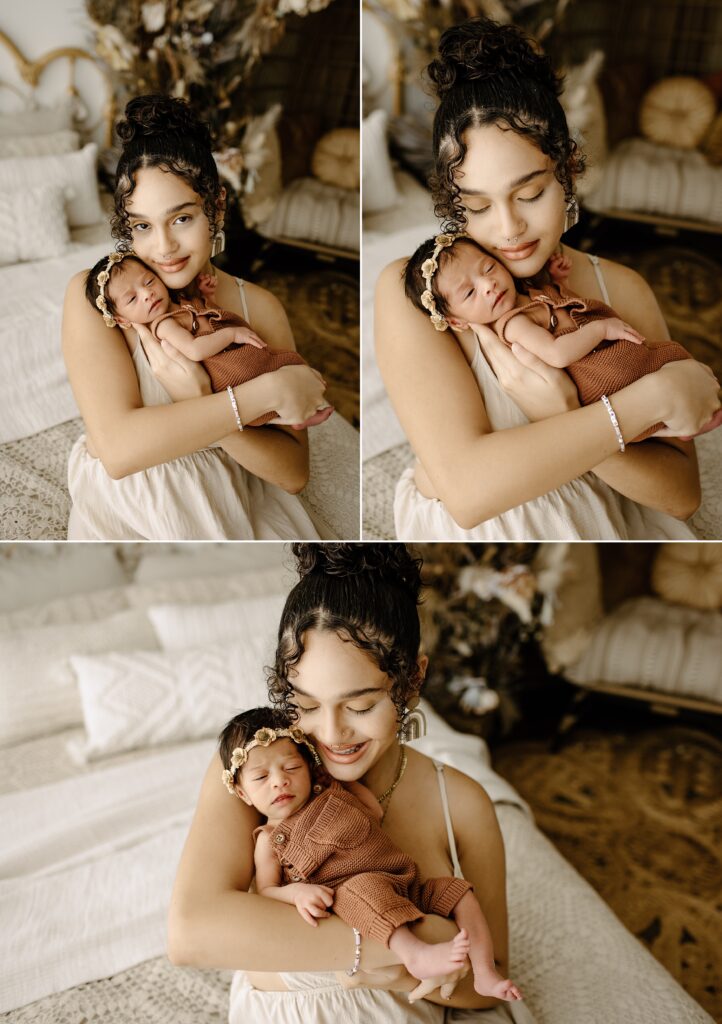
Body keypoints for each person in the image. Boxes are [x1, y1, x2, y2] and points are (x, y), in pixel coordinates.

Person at [374, 18, 721, 541]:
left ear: (567, 171)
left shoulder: (621, 288)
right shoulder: (418, 289)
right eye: (477, 205)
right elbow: (469, 494)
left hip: (607, 517)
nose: (509, 229)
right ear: (452, 203)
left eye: (531, 194)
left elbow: (679, 495)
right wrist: (640, 405)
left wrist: (566, 413)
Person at [169, 543, 532, 1024]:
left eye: (360, 707)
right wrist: (405, 944)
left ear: (412, 682)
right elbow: (191, 934)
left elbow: (489, 988)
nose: (333, 734)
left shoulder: (462, 804)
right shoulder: (256, 773)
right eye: (308, 705)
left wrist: (403, 976)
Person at [62, 94, 330, 540]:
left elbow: (292, 473)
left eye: (181, 218)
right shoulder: (96, 295)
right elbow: (118, 451)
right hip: (131, 508)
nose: (163, 248)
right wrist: (263, 391)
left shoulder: (259, 307)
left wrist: (200, 402)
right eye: (142, 226)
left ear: (216, 207)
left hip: (229, 499)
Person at [218, 706, 522, 1003]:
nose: (279, 781)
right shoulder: (271, 840)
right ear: (243, 793)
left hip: (404, 882)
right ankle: (415, 954)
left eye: (292, 767)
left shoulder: (335, 791)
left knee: (458, 891)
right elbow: (268, 890)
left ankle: (484, 970)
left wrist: (334, 780)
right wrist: (296, 893)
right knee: (363, 889)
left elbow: (373, 812)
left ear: (309, 768)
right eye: (260, 778)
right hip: (353, 898)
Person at [404, 233, 721, 443]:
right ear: (458, 321)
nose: (487, 284)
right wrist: (600, 329)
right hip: (598, 373)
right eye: (470, 292)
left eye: (488, 268)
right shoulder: (514, 324)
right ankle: (672, 426)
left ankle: (687, 406)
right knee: (646, 381)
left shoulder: (528, 294)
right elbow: (556, 353)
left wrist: (558, 280)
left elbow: (559, 306)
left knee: (670, 356)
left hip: (610, 356)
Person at [85, 250, 334, 430]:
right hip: (227, 369)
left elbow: (211, 318)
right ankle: (289, 417)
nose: (147, 294)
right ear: (122, 320)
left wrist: (208, 297)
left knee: (287, 362)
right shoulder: (164, 325)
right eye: (132, 299)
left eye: (148, 282)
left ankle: (301, 400)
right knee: (264, 393)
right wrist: (231, 334)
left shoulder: (182, 304)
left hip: (241, 355)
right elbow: (195, 350)